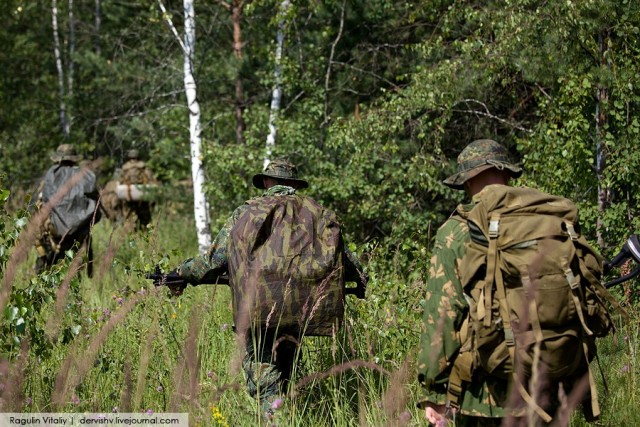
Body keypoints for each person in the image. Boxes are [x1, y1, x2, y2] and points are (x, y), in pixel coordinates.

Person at [173, 159, 367, 418]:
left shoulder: (247, 212)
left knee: (264, 376)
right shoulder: (319, 212)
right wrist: (361, 279)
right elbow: (345, 259)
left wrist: (181, 273)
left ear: (266, 182)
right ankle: (290, 417)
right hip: (302, 308)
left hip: (259, 308)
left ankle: (276, 419)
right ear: (293, 184)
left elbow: (214, 260)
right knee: (287, 372)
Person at [417, 139, 522, 426]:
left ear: (467, 181)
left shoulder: (456, 233)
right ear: (509, 175)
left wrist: (436, 389)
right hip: (547, 384)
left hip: (483, 396)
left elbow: (443, 315)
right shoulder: (547, 222)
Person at [34, 144, 101, 276]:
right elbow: (97, 203)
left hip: (52, 231)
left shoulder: (50, 175)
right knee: (74, 267)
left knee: (46, 266)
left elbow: (39, 203)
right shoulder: (85, 176)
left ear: (58, 159)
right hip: (78, 231)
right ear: (74, 159)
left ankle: (41, 290)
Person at [119, 149, 157, 229]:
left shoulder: (125, 168)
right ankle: (146, 234)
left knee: (129, 217)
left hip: (128, 196)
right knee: (145, 217)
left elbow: (120, 182)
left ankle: (129, 235)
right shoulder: (143, 166)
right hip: (142, 196)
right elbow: (151, 180)